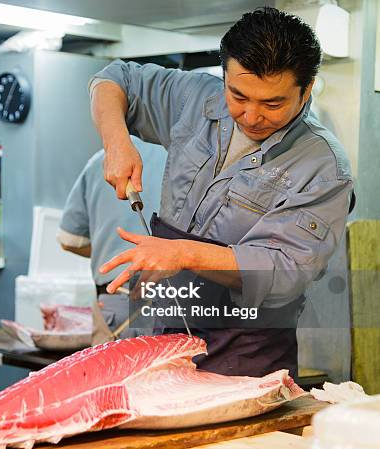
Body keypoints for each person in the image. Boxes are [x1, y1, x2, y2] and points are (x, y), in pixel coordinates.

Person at [89, 7, 354, 377]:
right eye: (238, 95)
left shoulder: (324, 167)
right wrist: (116, 141)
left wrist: (183, 253)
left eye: (272, 103)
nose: (250, 115)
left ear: (306, 89)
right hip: (164, 337)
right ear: (224, 75)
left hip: (245, 358)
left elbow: (286, 270)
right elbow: (115, 79)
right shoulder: (196, 98)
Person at [57, 136, 166, 343]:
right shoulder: (185, 160)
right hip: (173, 299)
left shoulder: (102, 162)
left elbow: (69, 240)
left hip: (114, 305)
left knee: (110, 375)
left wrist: (116, 254)